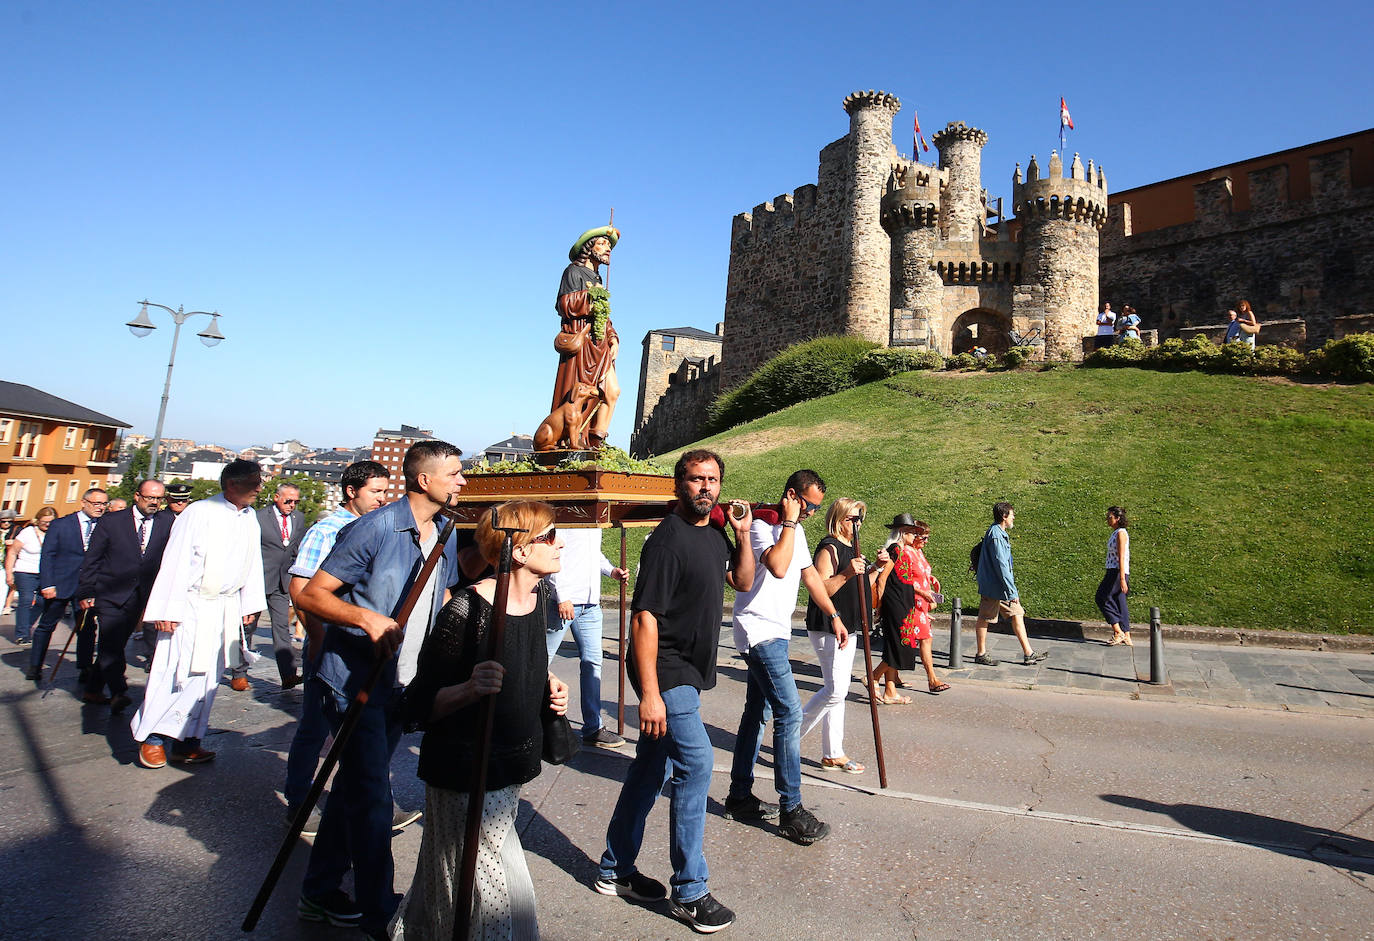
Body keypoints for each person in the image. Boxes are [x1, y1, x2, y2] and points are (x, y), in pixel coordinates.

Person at [296, 440, 466, 939]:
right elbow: (312, 593)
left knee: (354, 786)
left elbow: (446, 592)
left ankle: (319, 891)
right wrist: (366, 618)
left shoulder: (445, 531)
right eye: (454, 474)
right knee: (372, 795)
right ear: (423, 480)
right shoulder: (373, 527)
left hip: (403, 680)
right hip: (354, 681)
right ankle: (379, 913)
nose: (461, 482)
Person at [391, 501, 571, 941]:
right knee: (501, 889)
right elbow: (418, 705)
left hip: (509, 764)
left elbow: (523, 657)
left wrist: (547, 681)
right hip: (464, 769)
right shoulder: (466, 611)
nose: (560, 542)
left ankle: (415, 932)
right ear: (522, 550)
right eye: (549, 536)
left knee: (449, 870)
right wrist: (469, 689)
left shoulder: (538, 595)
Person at [596, 449, 754, 935]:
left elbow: (742, 580)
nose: (705, 487)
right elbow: (643, 618)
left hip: (688, 666)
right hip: (666, 670)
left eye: (713, 480)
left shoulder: (715, 534)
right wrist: (649, 694)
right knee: (697, 763)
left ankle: (614, 868)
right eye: (695, 479)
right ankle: (690, 890)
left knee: (651, 766)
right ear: (677, 485)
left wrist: (744, 534)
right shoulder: (666, 542)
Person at [726, 469, 838, 846]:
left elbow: (810, 578)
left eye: (813, 509)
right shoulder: (762, 525)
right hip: (758, 631)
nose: (809, 514)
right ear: (792, 495)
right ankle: (792, 810)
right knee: (788, 712)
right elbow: (776, 567)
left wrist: (834, 616)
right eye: (807, 505)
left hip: (777, 631)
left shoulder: (797, 531)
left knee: (756, 713)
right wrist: (789, 520)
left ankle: (739, 796)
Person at [130, 461, 266, 768]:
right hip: (191, 607)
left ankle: (189, 740)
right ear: (233, 484)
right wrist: (168, 608)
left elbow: (252, 561)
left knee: (208, 678)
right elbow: (175, 561)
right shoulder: (198, 513)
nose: (260, 488)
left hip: (224, 608)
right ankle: (153, 738)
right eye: (255, 482)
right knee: (176, 672)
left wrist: (249, 603)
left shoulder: (249, 517)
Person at [282, 460, 391, 834]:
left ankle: (362, 801)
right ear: (351, 491)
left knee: (360, 732)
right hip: (327, 643)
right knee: (313, 727)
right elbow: (300, 588)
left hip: (356, 646)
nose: (382, 498)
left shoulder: (375, 528)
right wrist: (316, 638)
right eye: (375, 492)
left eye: (384, 491)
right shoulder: (326, 530)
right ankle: (298, 802)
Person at [799, 497, 885, 774]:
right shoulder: (830, 548)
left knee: (838, 690)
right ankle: (789, 737)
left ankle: (832, 753)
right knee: (835, 690)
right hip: (827, 624)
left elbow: (863, 588)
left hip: (849, 624)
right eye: (852, 519)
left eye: (860, 518)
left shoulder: (854, 548)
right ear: (839, 519)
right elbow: (821, 588)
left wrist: (876, 569)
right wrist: (848, 573)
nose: (857, 524)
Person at [75, 479, 174, 711]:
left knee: (116, 643)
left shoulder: (166, 522)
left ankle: (93, 688)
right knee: (110, 642)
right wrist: (86, 590)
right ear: (137, 496)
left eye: (159, 499)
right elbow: (93, 559)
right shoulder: (112, 521)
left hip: (140, 595)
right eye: (150, 498)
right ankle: (119, 691)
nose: (155, 503)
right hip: (109, 592)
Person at [539, 225, 622, 451]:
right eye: (603, 244)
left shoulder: (596, 278)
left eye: (609, 246)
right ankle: (575, 439)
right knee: (580, 394)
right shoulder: (573, 272)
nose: (608, 250)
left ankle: (596, 440)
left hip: (600, 344)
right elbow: (564, 304)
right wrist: (590, 298)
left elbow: (605, 315)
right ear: (589, 247)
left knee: (612, 391)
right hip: (582, 344)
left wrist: (613, 337)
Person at [547, 527, 629, 748]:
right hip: (563, 602)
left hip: (590, 604)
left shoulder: (594, 520)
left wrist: (611, 570)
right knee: (540, 662)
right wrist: (562, 596)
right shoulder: (570, 513)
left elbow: (593, 554)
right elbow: (551, 551)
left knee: (593, 662)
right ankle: (528, 721)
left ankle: (593, 727)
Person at [28, 488, 108, 682]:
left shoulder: (106, 526)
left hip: (88, 587)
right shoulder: (61, 525)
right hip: (60, 584)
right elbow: (48, 555)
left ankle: (84, 667)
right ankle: (35, 665)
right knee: (46, 625)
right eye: (96, 503)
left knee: (86, 628)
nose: (100, 508)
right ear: (84, 503)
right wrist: (47, 584)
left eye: (104, 504)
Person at [236, 481, 306, 691]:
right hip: (257, 581)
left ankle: (288, 674)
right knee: (248, 627)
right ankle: (239, 673)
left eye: (295, 501)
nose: (292, 505)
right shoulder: (257, 517)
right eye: (288, 501)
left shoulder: (299, 519)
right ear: (276, 497)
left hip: (282, 583)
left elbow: (295, 549)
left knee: (281, 629)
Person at [972, 502, 1048, 667]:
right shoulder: (997, 535)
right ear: (1004, 516)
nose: (1014, 517)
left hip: (1000, 587)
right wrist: (1012, 592)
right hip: (995, 587)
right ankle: (981, 653)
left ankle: (1029, 653)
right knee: (985, 618)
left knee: (1017, 613)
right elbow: (1002, 566)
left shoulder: (998, 532)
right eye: (1012, 515)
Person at [881, 518, 949, 695]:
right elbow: (896, 580)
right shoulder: (900, 551)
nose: (926, 541)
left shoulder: (914, 551)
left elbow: (918, 573)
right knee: (913, 641)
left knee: (903, 642)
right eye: (922, 537)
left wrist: (930, 579)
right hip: (911, 602)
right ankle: (931, 679)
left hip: (917, 602)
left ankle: (891, 680)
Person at [871, 514, 921, 703]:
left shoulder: (903, 550)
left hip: (903, 604)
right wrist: (881, 607)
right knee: (901, 646)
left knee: (894, 646)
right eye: (911, 532)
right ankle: (873, 676)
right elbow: (882, 579)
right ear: (902, 532)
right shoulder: (894, 550)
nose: (914, 536)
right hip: (895, 605)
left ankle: (890, 691)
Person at [6, 508, 55, 645]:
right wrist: (9, 573)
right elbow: (12, 553)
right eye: (44, 522)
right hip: (25, 571)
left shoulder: (55, 533)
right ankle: (22, 634)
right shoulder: (27, 533)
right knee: (26, 600)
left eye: (50, 522)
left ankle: (26, 626)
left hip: (45, 573)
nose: (47, 525)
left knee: (42, 602)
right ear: (37, 520)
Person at [1099, 507, 1133, 647]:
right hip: (1116, 571)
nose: (1108, 519)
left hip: (1116, 571)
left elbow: (1122, 556)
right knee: (1120, 601)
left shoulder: (1121, 534)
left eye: (1110, 517)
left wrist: (1122, 578)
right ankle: (1126, 634)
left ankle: (1117, 631)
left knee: (1102, 597)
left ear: (1117, 519)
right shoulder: (1116, 533)